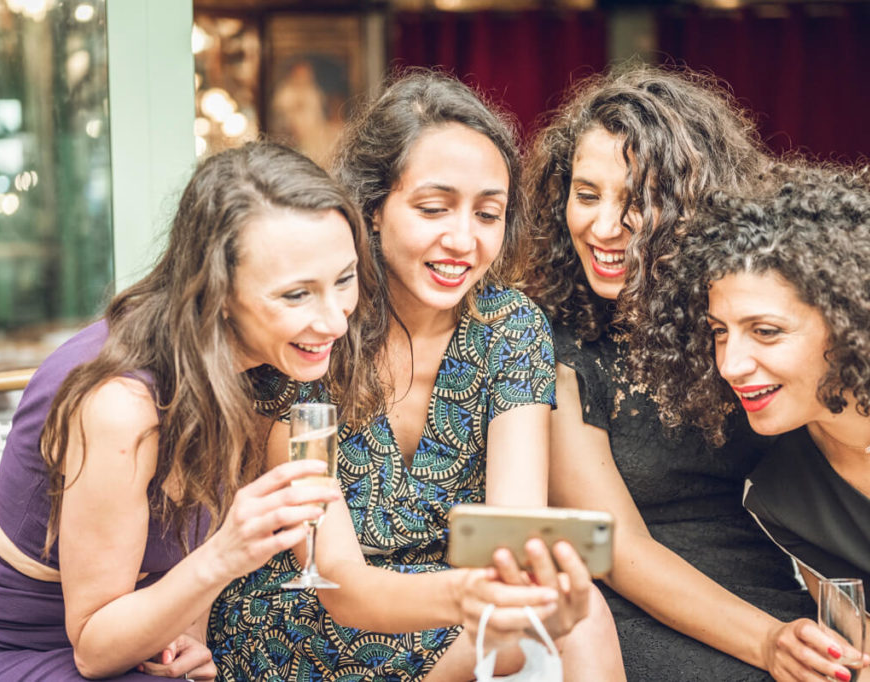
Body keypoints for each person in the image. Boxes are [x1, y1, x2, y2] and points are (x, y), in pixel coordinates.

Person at [0, 141, 585, 681]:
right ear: (216, 291)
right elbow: (91, 646)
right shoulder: (123, 405)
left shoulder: (263, 364)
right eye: (296, 294)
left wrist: (187, 638)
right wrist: (227, 555)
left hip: (145, 635)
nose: (332, 320)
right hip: (31, 644)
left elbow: (184, 552)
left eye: (344, 280)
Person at [210, 73, 623, 681]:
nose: (462, 239)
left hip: (454, 597)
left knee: (578, 614)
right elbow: (340, 582)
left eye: (488, 214)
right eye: (433, 208)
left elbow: (509, 537)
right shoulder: (316, 330)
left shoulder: (509, 327)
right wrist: (479, 605)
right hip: (308, 608)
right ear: (373, 210)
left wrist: (511, 598)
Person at [522, 65, 869, 681]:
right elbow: (618, 548)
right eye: (586, 194)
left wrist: (861, 645)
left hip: (778, 592)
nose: (603, 227)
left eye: (636, 201)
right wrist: (769, 643)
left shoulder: (738, 317)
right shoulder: (554, 341)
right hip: (645, 611)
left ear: (691, 204)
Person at [629, 161, 870, 680]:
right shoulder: (783, 497)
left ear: (854, 318)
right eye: (719, 331)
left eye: (764, 331)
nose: (730, 364)